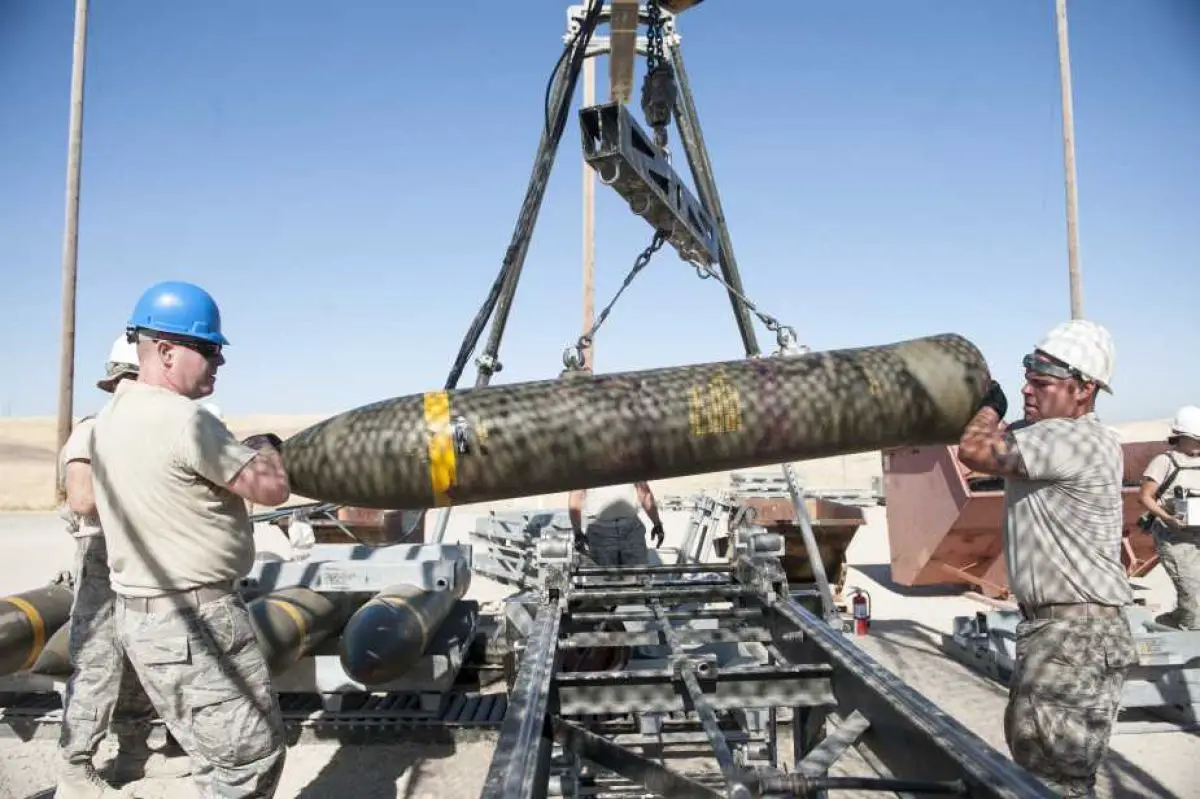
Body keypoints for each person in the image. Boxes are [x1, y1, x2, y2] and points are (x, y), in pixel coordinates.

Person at [86, 280, 292, 799]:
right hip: (195, 622)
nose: (219, 361)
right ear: (165, 351)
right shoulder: (184, 421)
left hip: (145, 619)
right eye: (208, 348)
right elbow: (271, 489)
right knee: (250, 759)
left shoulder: (110, 419)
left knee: (212, 756)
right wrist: (266, 449)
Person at [956, 319, 1135, 798]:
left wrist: (988, 407)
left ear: (1084, 389)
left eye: (1041, 383)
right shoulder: (1057, 435)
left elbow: (974, 449)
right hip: (1064, 632)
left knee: (1055, 781)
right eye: (1026, 380)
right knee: (1043, 765)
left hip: (1073, 636)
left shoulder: (1069, 438)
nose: (1026, 390)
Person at [56, 335, 191, 797]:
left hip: (141, 559)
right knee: (98, 664)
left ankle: (134, 752)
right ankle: (75, 771)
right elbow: (82, 497)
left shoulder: (142, 432)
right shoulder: (94, 430)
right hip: (103, 558)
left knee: (137, 660)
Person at [1138, 405, 1200, 630]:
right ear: (1182, 436)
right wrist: (1168, 518)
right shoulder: (1165, 461)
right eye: (1197, 440)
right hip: (1174, 539)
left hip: (1197, 536)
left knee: (1194, 597)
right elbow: (1145, 497)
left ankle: (1168, 623)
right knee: (1191, 594)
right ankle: (1191, 638)